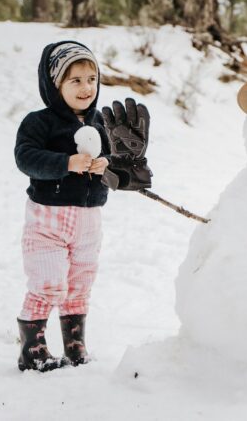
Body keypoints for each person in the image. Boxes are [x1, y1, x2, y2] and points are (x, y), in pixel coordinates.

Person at [13, 41, 151, 372]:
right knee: (48, 282)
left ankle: (75, 345)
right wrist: (66, 162)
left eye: (91, 78)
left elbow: (130, 173)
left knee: (80, 283)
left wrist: (114, 167)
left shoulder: (103, 125)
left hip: (89, 220)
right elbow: (26, 157)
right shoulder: (40, 122)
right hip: (48, 218)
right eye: (75, 80)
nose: (86, 87)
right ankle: (32, 349)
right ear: (54, 84)